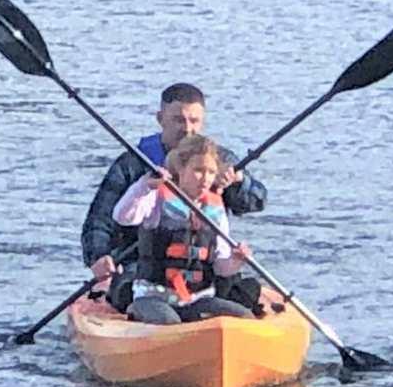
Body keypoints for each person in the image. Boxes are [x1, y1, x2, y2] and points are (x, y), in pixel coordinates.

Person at [81, 81, 266, 280]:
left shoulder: (219, 161)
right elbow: (100, 219)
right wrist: (98, 256)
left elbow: (256, 201)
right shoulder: (133, 163)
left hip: (204, 263)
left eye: (194, 121)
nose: (187, 129)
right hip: (141, 264)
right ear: (161, 119)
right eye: (179, 120)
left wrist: (238, 182)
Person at [105, 136, 277, 322]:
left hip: (196, 299)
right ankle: (136, 312)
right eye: (198, 170)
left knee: (243, 316)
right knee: (169, 322)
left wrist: (237, 259)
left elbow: (221, 268)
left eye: (211, 172)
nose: (205, 178)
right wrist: (144, 186)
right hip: (153, 297)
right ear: (181, 169)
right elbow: (122, 216)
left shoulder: (215, 210)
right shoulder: (156, 197)